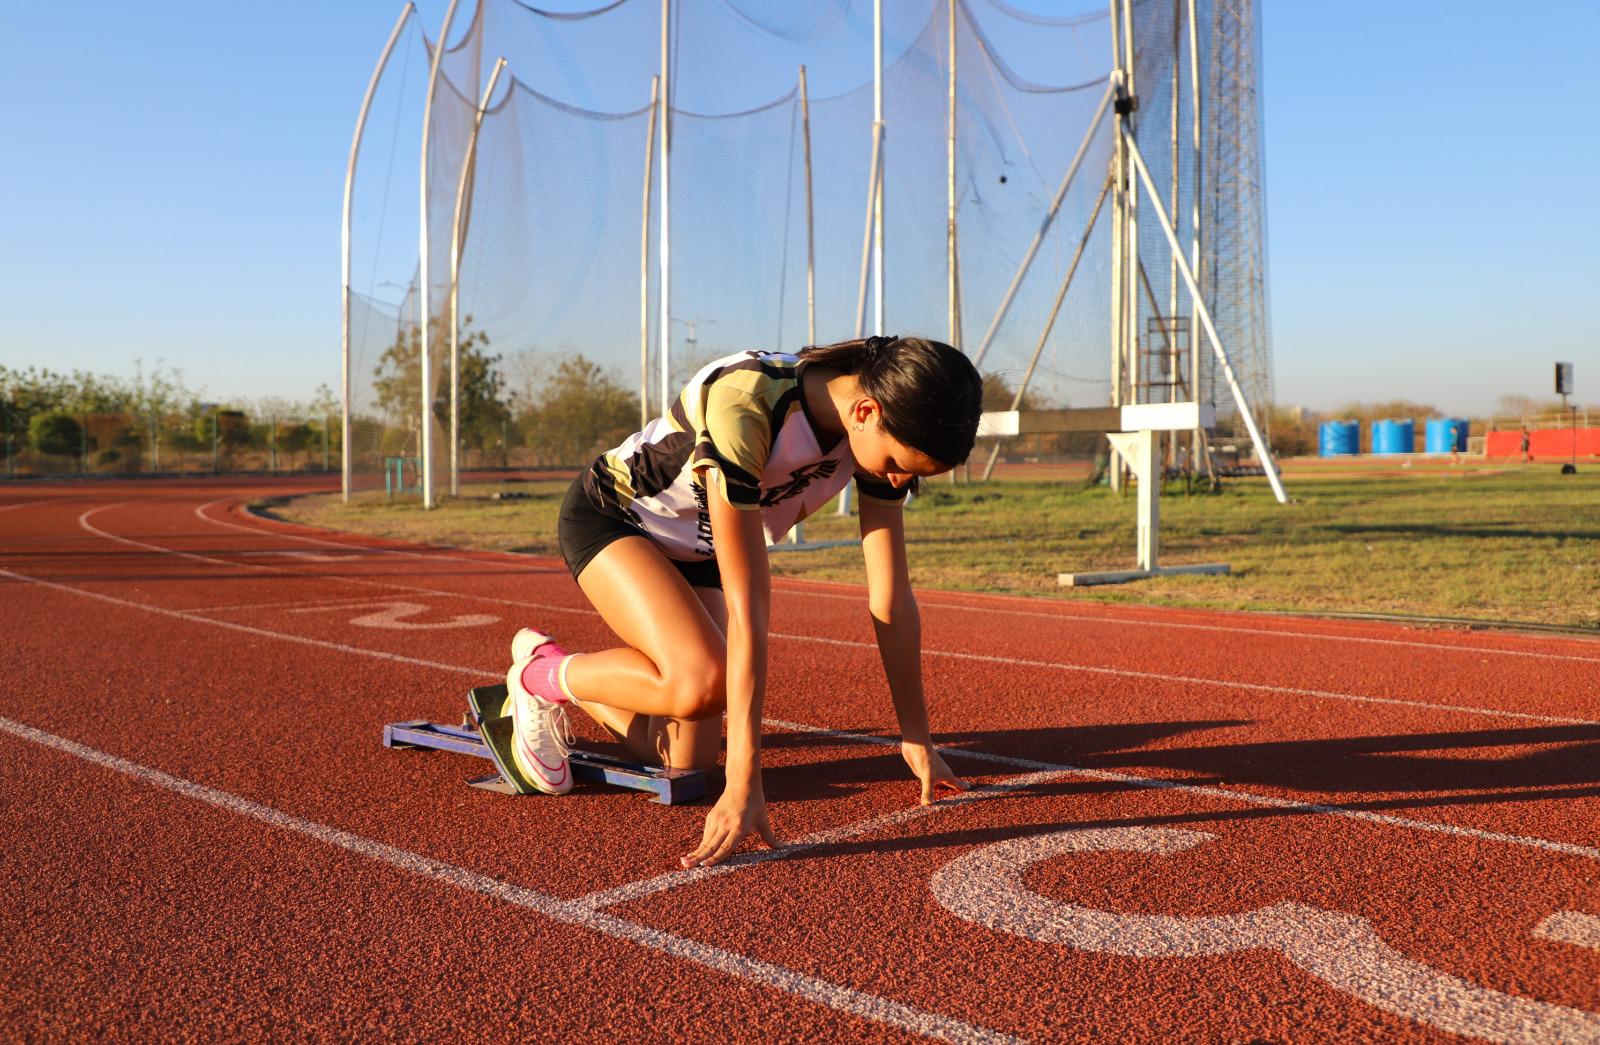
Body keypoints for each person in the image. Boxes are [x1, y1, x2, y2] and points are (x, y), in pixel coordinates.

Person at [500, 335, 985, 868]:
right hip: (619, 520)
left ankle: (555, 669)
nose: (900, 480)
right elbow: (749, 611)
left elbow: (890, 598)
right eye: (899, 463)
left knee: (686, 758)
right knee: (703, 678)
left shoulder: (876, 430)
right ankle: (537, 681)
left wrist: (915, 737)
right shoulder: (749, 402)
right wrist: (744, 781)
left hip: (699, 546)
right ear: (866, 411)